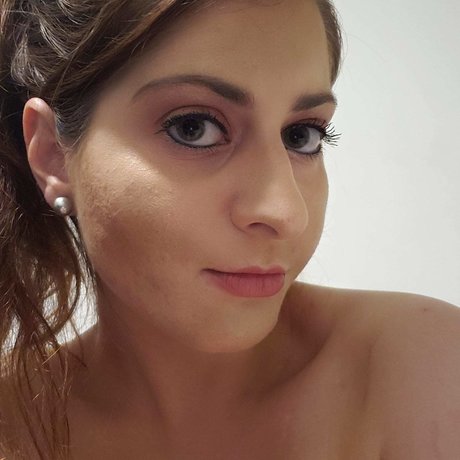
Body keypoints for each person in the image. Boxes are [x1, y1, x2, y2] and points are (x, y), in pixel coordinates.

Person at [1, 0, 459, 458]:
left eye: (302, 135)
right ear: (53, 155)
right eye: (194, 127)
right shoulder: (12, 427)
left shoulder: (424, 373)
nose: (285, 211)